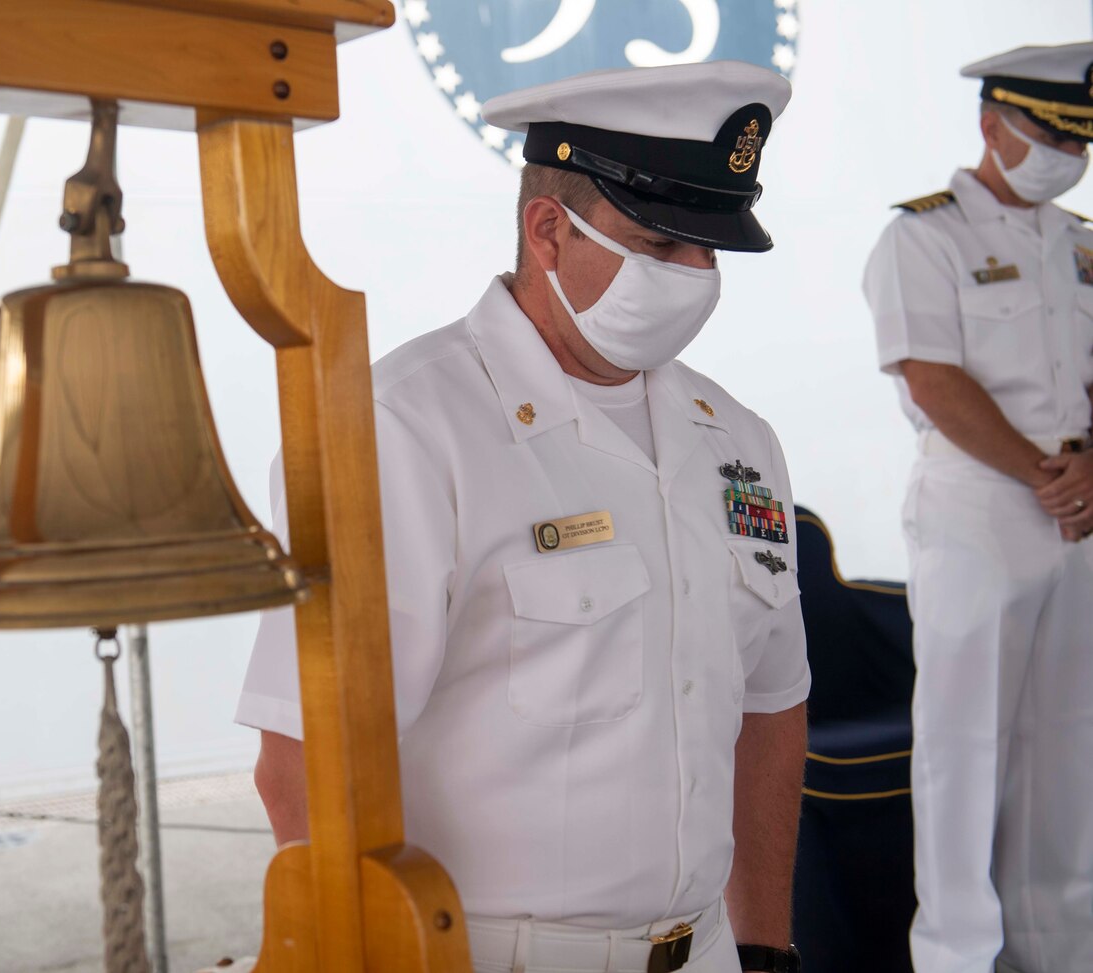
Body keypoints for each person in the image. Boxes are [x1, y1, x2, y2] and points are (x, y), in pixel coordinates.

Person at [238, 62, 808, 973]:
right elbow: (304, 763)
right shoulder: (401, 428)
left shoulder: (736, 438)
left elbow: (772, 709)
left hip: (704, 949)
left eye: (711, 250)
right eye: (663, 246)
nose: (696, 276)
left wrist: (766, 944)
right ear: (548, 230)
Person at [863, 41, 1093, 973]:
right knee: (967, 746)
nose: (1064, 155)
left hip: (1077, 515)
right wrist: (1050, 472)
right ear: (992, 123)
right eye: (1047, 133)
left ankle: (1064, 948)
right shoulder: (922, 235)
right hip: (980, 511)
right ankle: (958, 954)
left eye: (1077, 139)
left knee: (1069, 747)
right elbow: (931, 377)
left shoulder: (1081, 242)